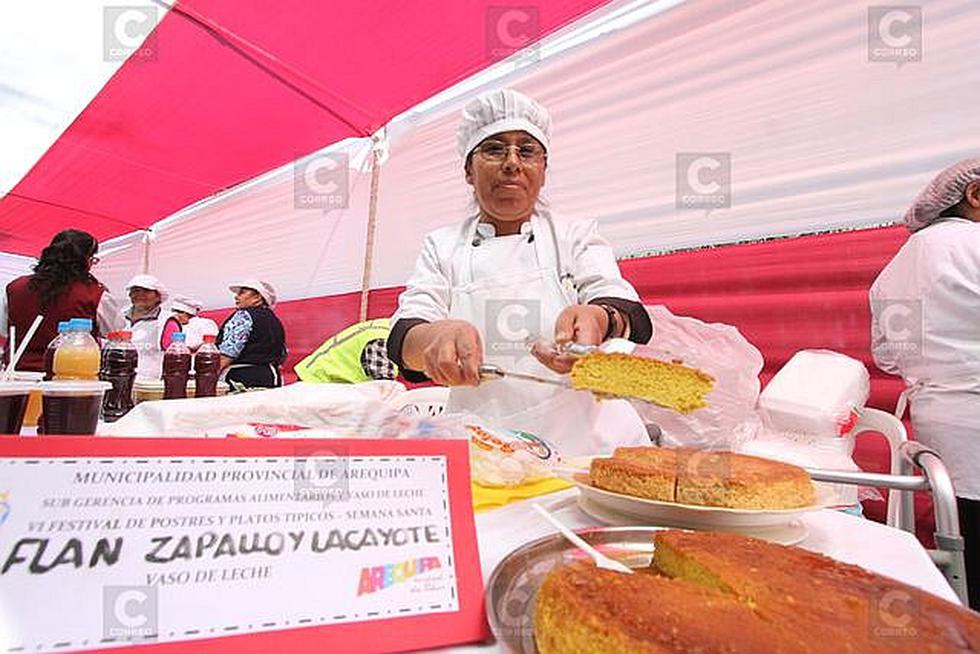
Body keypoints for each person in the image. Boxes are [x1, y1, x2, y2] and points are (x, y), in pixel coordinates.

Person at [387, 89, 653, 455]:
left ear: (543, 169)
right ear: (468, 169)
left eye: (526, 151)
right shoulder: (442, 246)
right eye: (494, 149)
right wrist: (435, 337)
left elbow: (631, 316)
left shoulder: (573, 235)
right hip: (488, 449)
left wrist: (599, 317)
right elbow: (403, 339)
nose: (512, 162)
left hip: (591, 445)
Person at [870, 158, 980, 609]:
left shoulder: (894, 269)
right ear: (975, 194)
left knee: (965, 546)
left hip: (946, 433)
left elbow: (889, 357)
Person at [2, 229, 124, 370]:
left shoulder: (15, 287)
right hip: (73, 378)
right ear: (86, 260)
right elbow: (117, 333)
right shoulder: (95, 294)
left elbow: (5, 330)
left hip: (17, 374)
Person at [217, 279, 287, 389]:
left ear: (257, 297)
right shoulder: (274, 320)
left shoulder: (243, 316)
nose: (236, 297)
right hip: (271, 377)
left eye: (242, 293)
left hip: (241, 379)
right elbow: (282, 354)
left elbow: (227, 354)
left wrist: (208, 378)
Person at [295, 318, 397, 383]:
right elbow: (385, 390)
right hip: (318, 384)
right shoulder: (382, 341)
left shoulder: (386, 326)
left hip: (320, 381)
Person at [123, 274, 174, 380]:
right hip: (118, 378)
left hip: (149, 383)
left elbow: (174, 358)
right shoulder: (119, 317)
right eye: (136, 291)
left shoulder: (167, 321)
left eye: (146, 291)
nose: (140, 295)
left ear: (158, 296)